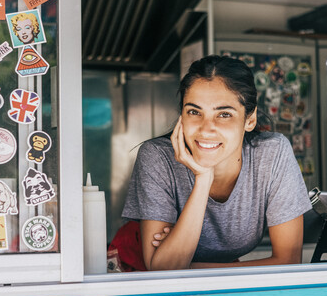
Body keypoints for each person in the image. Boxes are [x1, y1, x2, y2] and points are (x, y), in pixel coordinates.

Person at [121, 55, 312, 271]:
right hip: (135, 272)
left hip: (220, 273)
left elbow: (289, 262)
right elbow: (161, 272)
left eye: (224, 114)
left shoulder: (272, 154)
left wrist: (186, 266)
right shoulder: (157, 157)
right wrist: (203, 177)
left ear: (249, 120)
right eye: (194, 112)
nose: (206, 128)